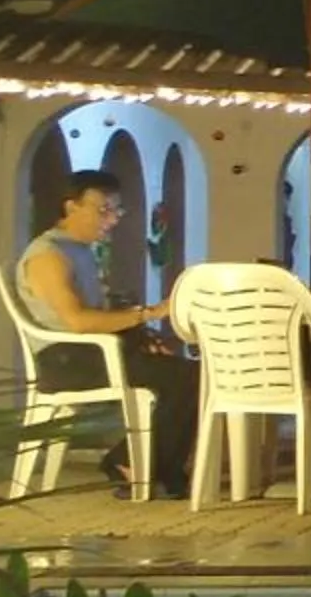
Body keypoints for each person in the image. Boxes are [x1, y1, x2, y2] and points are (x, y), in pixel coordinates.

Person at [16, 171, 197, 499]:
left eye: (117, 211)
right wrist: (150, 312)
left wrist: (141, 335)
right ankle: (131, 463)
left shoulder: (80, 250)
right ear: (71, 207)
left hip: (93, 351)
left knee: (188, 373)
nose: (112, 220)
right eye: (103, 210)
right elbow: (78, 322)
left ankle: (153, 465)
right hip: (67, 359)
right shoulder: (48, 255)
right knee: (188, 377)